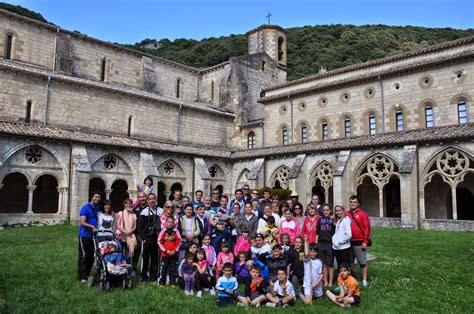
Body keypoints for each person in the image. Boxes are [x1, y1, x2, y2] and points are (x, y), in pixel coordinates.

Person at [346, 195, 371, 287]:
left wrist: (365, 241)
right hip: (348, 241)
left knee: (362, 262)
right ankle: (351, 277)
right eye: (351, 202)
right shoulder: (346, 214)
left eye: (354, 202)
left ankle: (364, 279)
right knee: (350, 262)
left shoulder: (363, 214)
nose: (352, 204)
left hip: (360, 241)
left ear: (358, 204)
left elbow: (367, 228)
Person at [77, 191, 101, 282]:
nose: (97, 199)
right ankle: (81, 276)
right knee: (84, 255)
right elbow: (82, 222)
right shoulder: (85, 208)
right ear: (91, 197)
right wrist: (92, 227)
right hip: (84, 235)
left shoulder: (97, 208)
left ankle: (87, 274)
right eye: (95, 197)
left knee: (91, 256)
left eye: (98, 197)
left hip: (93, 236)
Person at [138, 193, 161, 283]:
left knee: (155, 259)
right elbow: (140, 228)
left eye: (153, 198)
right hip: (147, 239)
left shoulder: (160, 211)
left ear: (156, 200)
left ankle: (154, 277)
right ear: (147, 201)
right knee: (145, 259)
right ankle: (143, 277)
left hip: (157, 239)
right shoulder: (143, 212)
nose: (152, 200)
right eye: (150, 199)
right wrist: (144, 238)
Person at [157, 216, 182, 286]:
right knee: (163, 269)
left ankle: (172, 283)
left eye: (172, 222)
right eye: (168, 222)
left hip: (174, 254)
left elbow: (179, 241)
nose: (170, 224)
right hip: (165, 254)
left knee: (173, 269)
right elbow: (159, 241)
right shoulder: (163, 231)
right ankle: (162, 283)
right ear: (165, 223)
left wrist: (174, 251)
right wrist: (165, 250)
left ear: (174, 223)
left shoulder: (176, 231)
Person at [316, 204, 335, 287]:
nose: (326, 212)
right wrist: (317, 243)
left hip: (329, 243)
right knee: (323, 264)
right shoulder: (320, 220)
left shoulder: (333, 220)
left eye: (327, 210)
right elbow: (317, 233)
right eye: (324, 210)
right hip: (321, 243)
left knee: (329, 264)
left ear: (330, 211)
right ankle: (325, 281)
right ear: (322, 212)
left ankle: (330, 281)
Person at [300, 239, 323, 304]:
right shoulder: (305, 259)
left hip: (316, 285)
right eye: (311, 251)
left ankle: (312, 295)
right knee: (308, 302)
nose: (313, 253)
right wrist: (306, 243)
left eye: (315, 252)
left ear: (317, 252)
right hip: (308, 285)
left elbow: (321, 274)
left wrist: (315, 284)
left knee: (319, 299)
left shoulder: (319, 261)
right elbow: (306, 254)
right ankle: (300, 293)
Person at [116, 199, 137, 265]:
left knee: (128, 255)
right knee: (120, 253)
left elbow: (135, 226)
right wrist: (125, 231)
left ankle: (127, 269)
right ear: (124, 205)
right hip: (121, 236)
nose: (128, 205)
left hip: (130, 236)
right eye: (127, 203)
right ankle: (120, 269)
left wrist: (130, 231)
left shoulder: (133, 215)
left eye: (130, 203)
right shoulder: (120, 213)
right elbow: (118, 225)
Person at [332, 204, 352, 269]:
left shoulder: (346, 220)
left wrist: (339, 242)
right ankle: (340, 278)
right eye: (336, 211)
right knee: (339, 265)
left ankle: (348, 279)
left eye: (340, 210)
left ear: (343, 211)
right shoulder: (338, 221)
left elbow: (349, 234)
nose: (338, 212)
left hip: (344, 247)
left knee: (345, 266)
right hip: (337, 247)